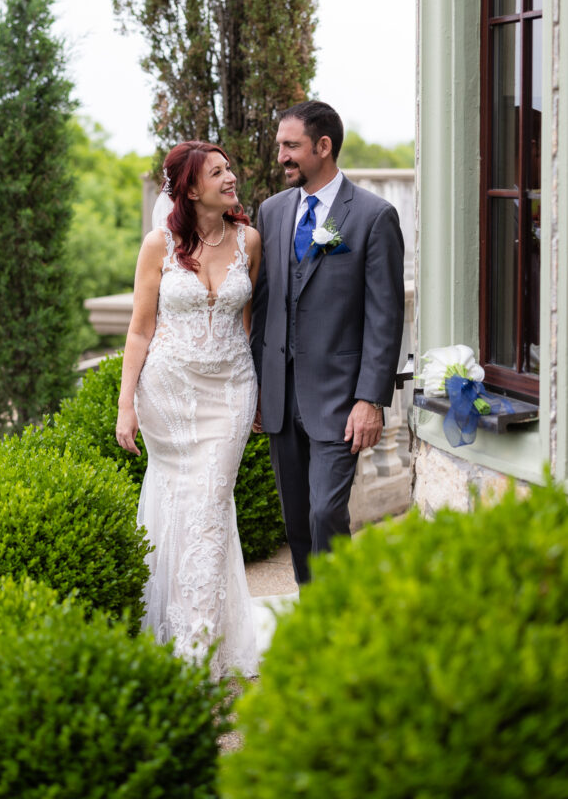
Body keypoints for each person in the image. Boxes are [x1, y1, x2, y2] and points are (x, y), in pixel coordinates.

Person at [115, 140, 261, 678]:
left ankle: (195, 651)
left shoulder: (250, 240)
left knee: (209, 504)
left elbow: (247, 324)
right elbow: (139, 328)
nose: (231, 178)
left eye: (229, 169)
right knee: (179, 507)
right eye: (217, 172)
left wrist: (260, 392)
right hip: (169, 397)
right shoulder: (159, 244)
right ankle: (179, 630)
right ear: (190, 187)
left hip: (230, 393)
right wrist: (126, 404)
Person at [250, 101, 404, 585]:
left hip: (339, 399)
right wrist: (258, 388)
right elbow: (263, 305)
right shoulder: (272, 212)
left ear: (323, 146)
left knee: (325, 514)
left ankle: (339, 626)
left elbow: (385, 315)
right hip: (280, 395)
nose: (281, 157)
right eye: (280, 146)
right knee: (297, 522)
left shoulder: (373, 216)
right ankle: (314, 623)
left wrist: (371, 400)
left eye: (290, 146)